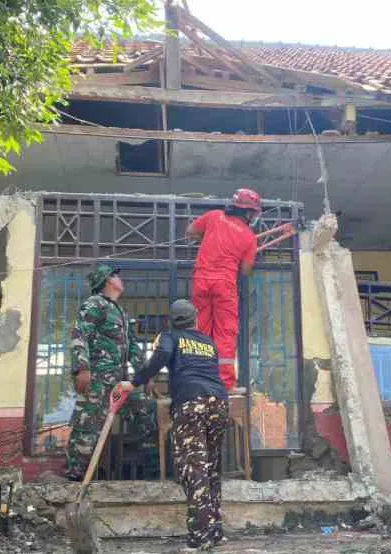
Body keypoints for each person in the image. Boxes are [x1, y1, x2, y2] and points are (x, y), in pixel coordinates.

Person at [119, 299, 228, 552]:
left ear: (172, 321)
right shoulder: (207, 342)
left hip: (191, 402)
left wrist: (134, 382)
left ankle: (200, 538)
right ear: (195, 318)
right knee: (211, 467)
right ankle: (215, 531)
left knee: (194, 468)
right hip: (218, 403)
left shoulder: (169, 337)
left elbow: (162, 357)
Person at [64, 263, 156, 481]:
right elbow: (80, 334)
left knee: (144, 408)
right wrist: (82, 368)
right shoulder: (94, 304)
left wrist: (145, 374)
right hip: (97, 379)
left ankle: (141, 464)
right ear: (107, 281)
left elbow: (132, 346)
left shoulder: (120, 312)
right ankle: (73, 478)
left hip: (119, 382)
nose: (120, 279)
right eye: (116, 275)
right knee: (87, 428)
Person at [187, 188, 261, 391]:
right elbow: (245, 271)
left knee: (200, 330)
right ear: (247, 212)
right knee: (225, 333)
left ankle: (197, 378)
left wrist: (207, 240)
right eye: (254, 213)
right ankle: (225, 384)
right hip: (224, 285)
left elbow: (191, 232)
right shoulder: (249, 237)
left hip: (201, 280)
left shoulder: (213, 216)